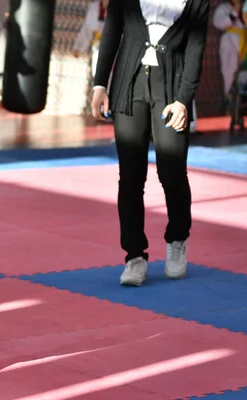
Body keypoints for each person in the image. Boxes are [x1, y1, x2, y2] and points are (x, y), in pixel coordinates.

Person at [91, 0, 208, 286]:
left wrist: (183, 101)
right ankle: (134, 257)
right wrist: (99, 85)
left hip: (172, 89)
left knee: (172, 172)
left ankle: (178, 238)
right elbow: (111, 32)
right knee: (130, 177)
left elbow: (196, 48)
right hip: (128, 87)